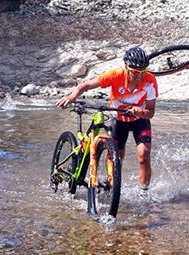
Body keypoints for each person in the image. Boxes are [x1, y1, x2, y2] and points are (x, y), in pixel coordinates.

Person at [56, 47, 157, 200]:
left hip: (139, 121)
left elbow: (151, 112)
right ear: (127, 68)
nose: (139, 76)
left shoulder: (150, 80)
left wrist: (140, 112)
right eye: (135, 72)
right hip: (118, 120)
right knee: (116, 158)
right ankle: (112, 185)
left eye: (143, 71)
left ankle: (144, 191)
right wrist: (72, 97)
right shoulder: (115, 75)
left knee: (143, 156)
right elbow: (86, 85)